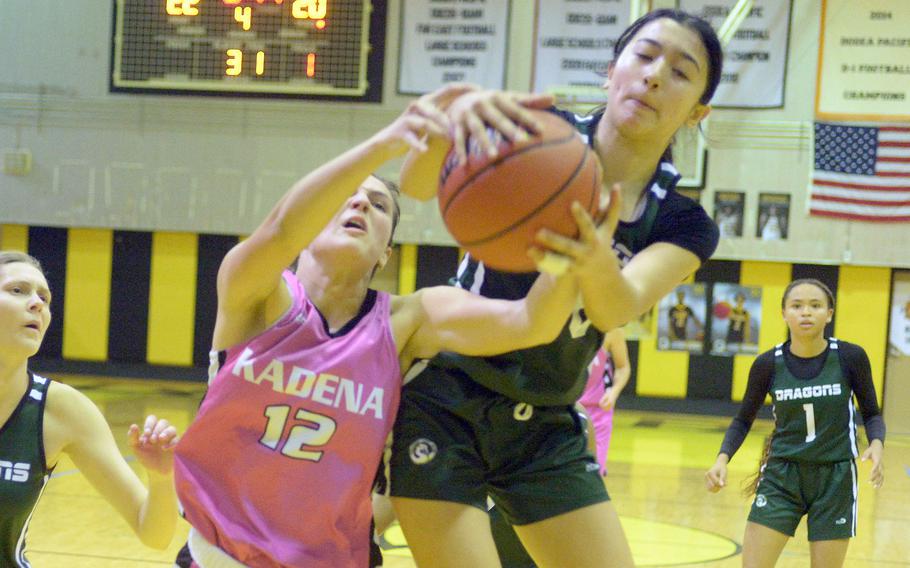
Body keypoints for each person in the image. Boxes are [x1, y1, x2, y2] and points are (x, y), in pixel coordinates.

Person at [172, 84, 585, 568]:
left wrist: (572, 234)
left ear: (387, 250)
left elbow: (532, 323)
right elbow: (282, 229)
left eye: (379, 204)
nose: (361, 204)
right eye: (348, 197)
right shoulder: (255, 295)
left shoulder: (407, 321)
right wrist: (386, 143)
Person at [389, 9, 723, 568]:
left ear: (697, 112)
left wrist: (593, 252)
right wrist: (453, 121)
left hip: (544, 420)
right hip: (447, 390)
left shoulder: (684, 223)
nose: (655, 75)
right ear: (611, 70)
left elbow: (616, 304)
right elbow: (416, 184)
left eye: (682, 71)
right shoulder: (538, 135)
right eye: (643, 56)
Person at [0, 251, 179, 567]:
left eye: (45, 297)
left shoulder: (62, 410)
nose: (37, 304)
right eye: (18, 290)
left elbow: (153, 533)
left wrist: (161, 478)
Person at [705, 278, 885, 568]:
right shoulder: (767, 364)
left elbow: (872, 413)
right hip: (782, 475)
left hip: (835, 476)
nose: (805, 312)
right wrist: (721, 459)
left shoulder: (850, 357)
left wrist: (877, 444)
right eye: (797, 306)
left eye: (815, 306)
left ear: (829, 313)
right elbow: (743, 420)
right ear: (784, 313)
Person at [578, 328, 631, 476]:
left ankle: (600, 469)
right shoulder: (565, 321)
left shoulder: (613, 329)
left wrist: (614, 392)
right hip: (566, 408)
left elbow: (623, 367)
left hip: (597, 411)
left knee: (594, 474)